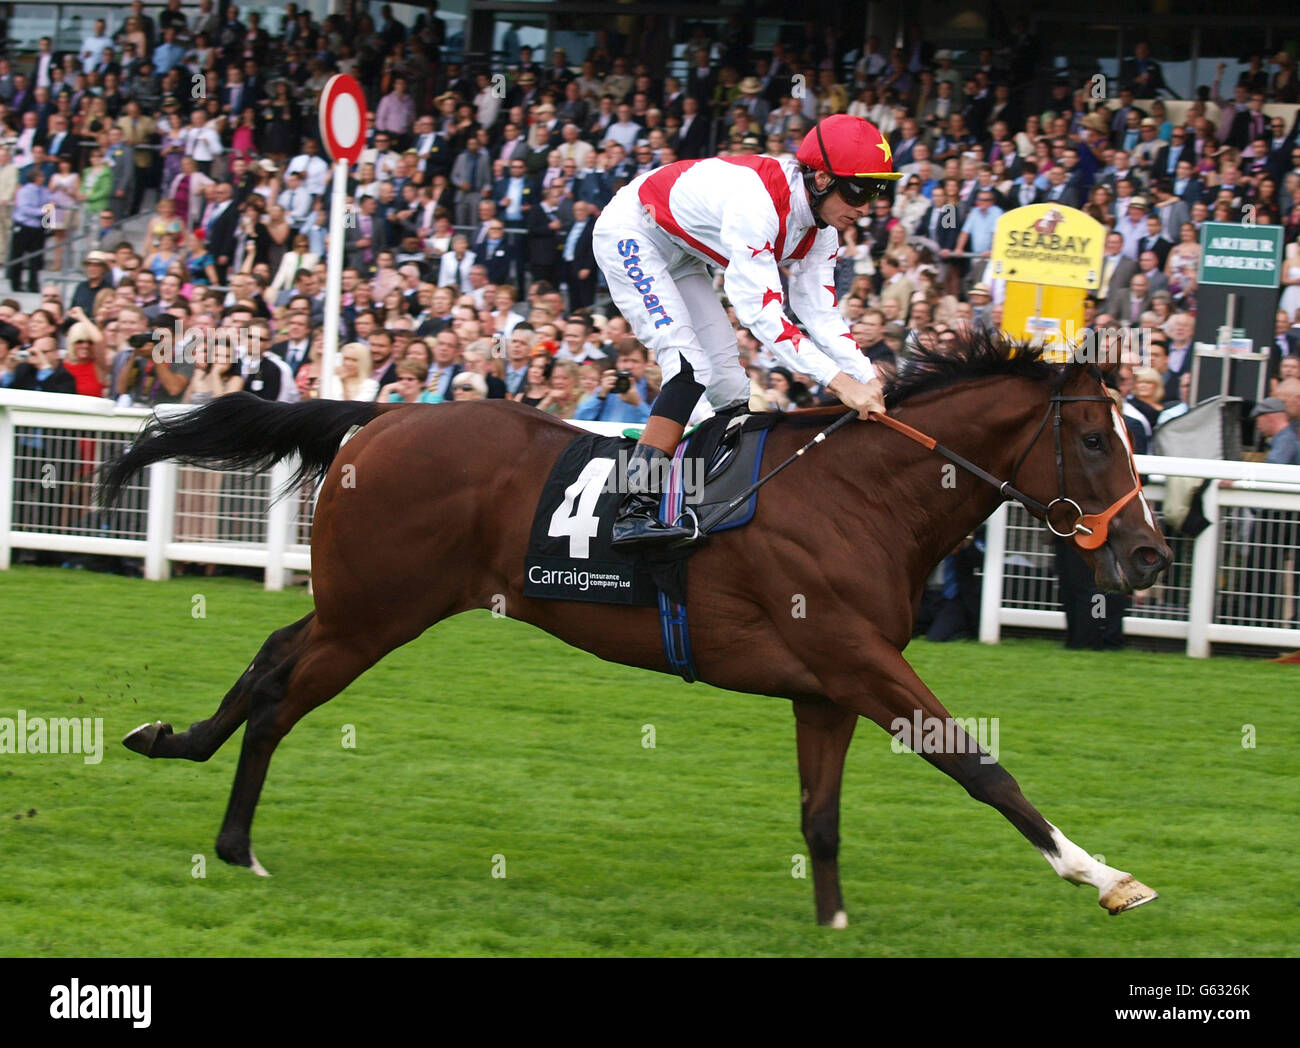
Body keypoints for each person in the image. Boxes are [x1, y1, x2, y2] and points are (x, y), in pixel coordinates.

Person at [592, 114, 894, 549]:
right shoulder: (758, 205)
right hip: (632, 232)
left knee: (730, 386)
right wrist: (840, 384)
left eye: (877, 193)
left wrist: (867, 379)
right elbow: (764, 316)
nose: (866, 207)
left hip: (680, 249)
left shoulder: (823, 231)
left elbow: (821, 315)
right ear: (823, 178)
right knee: (688, 367)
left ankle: (699, 500)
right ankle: (630, 507)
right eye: (860, 191)